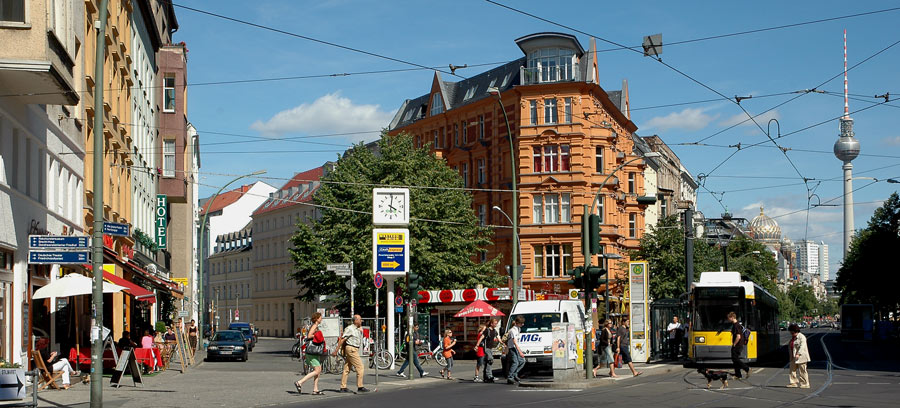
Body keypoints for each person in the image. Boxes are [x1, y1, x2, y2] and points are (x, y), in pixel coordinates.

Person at [336, 315, 369, 393]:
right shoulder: (350, 328)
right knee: (360, 367)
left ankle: (343, 387)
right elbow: (342, 339)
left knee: (347, 368)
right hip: (351, 349)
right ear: (356, 320)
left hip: (353, 349)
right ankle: (360, 386)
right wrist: (336, 350)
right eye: (360, 320)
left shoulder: (357, 329)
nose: (361, 321)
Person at [295, 312, 326, 395]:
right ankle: (300, 382)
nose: (321, 319)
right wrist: (316, 335)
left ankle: (315, 389)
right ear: (316, 318)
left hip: (314, 351)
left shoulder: (315, 326)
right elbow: (309, 336)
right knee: (317, 370)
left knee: (318, 370)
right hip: (312, 351)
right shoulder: (314, 326)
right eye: (320, 317)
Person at [728, 311, 751, 380]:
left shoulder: (736, 325)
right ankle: (738, 375)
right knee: (735, 359)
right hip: (739, 344)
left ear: (732, 317)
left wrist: (734, 344)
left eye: (729, 318)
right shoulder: (737, 325)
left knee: (735, 359)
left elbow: (738, 336)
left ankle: (747, 369)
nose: (728, 320)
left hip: (737, 345)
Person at [787, 324, 810, 388]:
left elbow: (802, 346)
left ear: (795, 331)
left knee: (802, 370)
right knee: (792, 370)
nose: (791, 333)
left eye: (791, 332)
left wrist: (798, 354)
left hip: (801, 357)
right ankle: (793, 382)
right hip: (793, 356)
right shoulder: (793, 338)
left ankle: (805, 383)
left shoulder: (801, 337)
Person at [506, 316, 525, 384]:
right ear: (517, 323)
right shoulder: (512, 330)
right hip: (512, 348)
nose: (523, 324)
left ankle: (515, 374)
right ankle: (510, 377)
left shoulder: (518, 329)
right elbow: (514, 342)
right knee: (515, 362)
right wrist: (520, 352)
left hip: (516, 347)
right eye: (521, 323)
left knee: (522, 361)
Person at [481, 318, 500, 383]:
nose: (496, 324)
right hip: (486, 348)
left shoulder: (494, 331)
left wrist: (502, 343)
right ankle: (489, 376)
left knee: (487, 362)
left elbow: (498, 337)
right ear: (491, 324)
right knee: (490, 360)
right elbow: (482, 337)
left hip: (491, 348)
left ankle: (485, 377)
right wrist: (477, 345)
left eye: (496, 323)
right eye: (495, 323)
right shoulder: (487, 330)